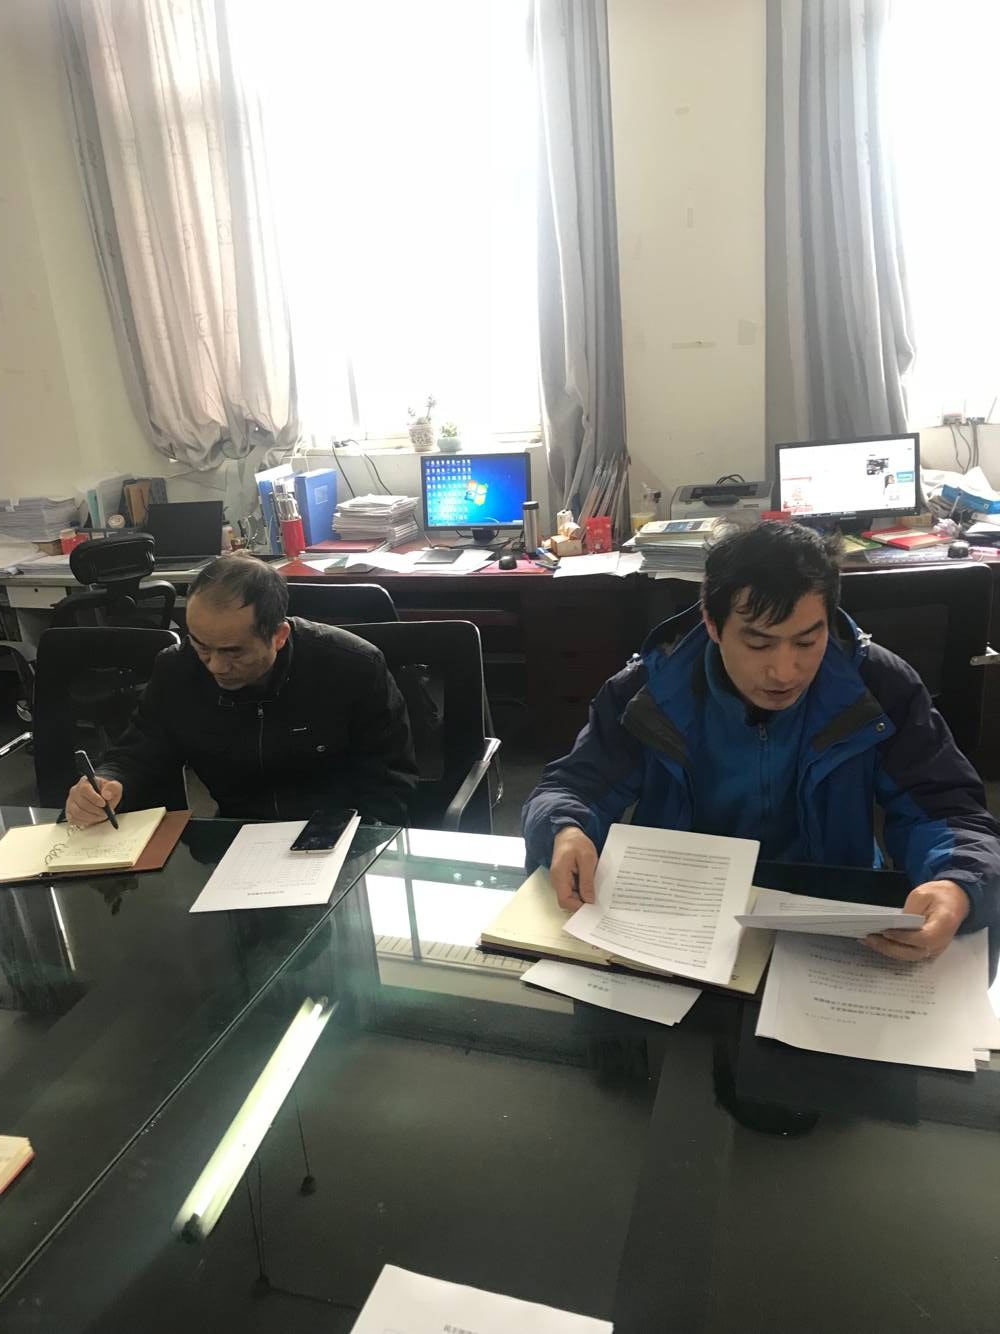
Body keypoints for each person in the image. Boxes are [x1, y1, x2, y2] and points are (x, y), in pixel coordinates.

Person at [523, 522, 1000, 963]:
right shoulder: (649, 691)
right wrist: (567, 830)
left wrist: (957, 883)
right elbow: (571, 789)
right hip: (683, 911)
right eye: (758, 644)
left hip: (831, 911)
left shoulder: (878, 685)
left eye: (806, 642)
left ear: (829, 619)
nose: (784, 672)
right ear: (712, 624)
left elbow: (948, 810)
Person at [65, 552, 418, 826]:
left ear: (278, 636)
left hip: (336, 833)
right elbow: (140, 751)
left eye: (233, 652)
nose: (216, 666)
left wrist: (359, 845)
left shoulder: (352, 666)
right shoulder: (177, 669)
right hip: (236, 836)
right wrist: (109, 782)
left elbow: (389, 782)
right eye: (202, 646)